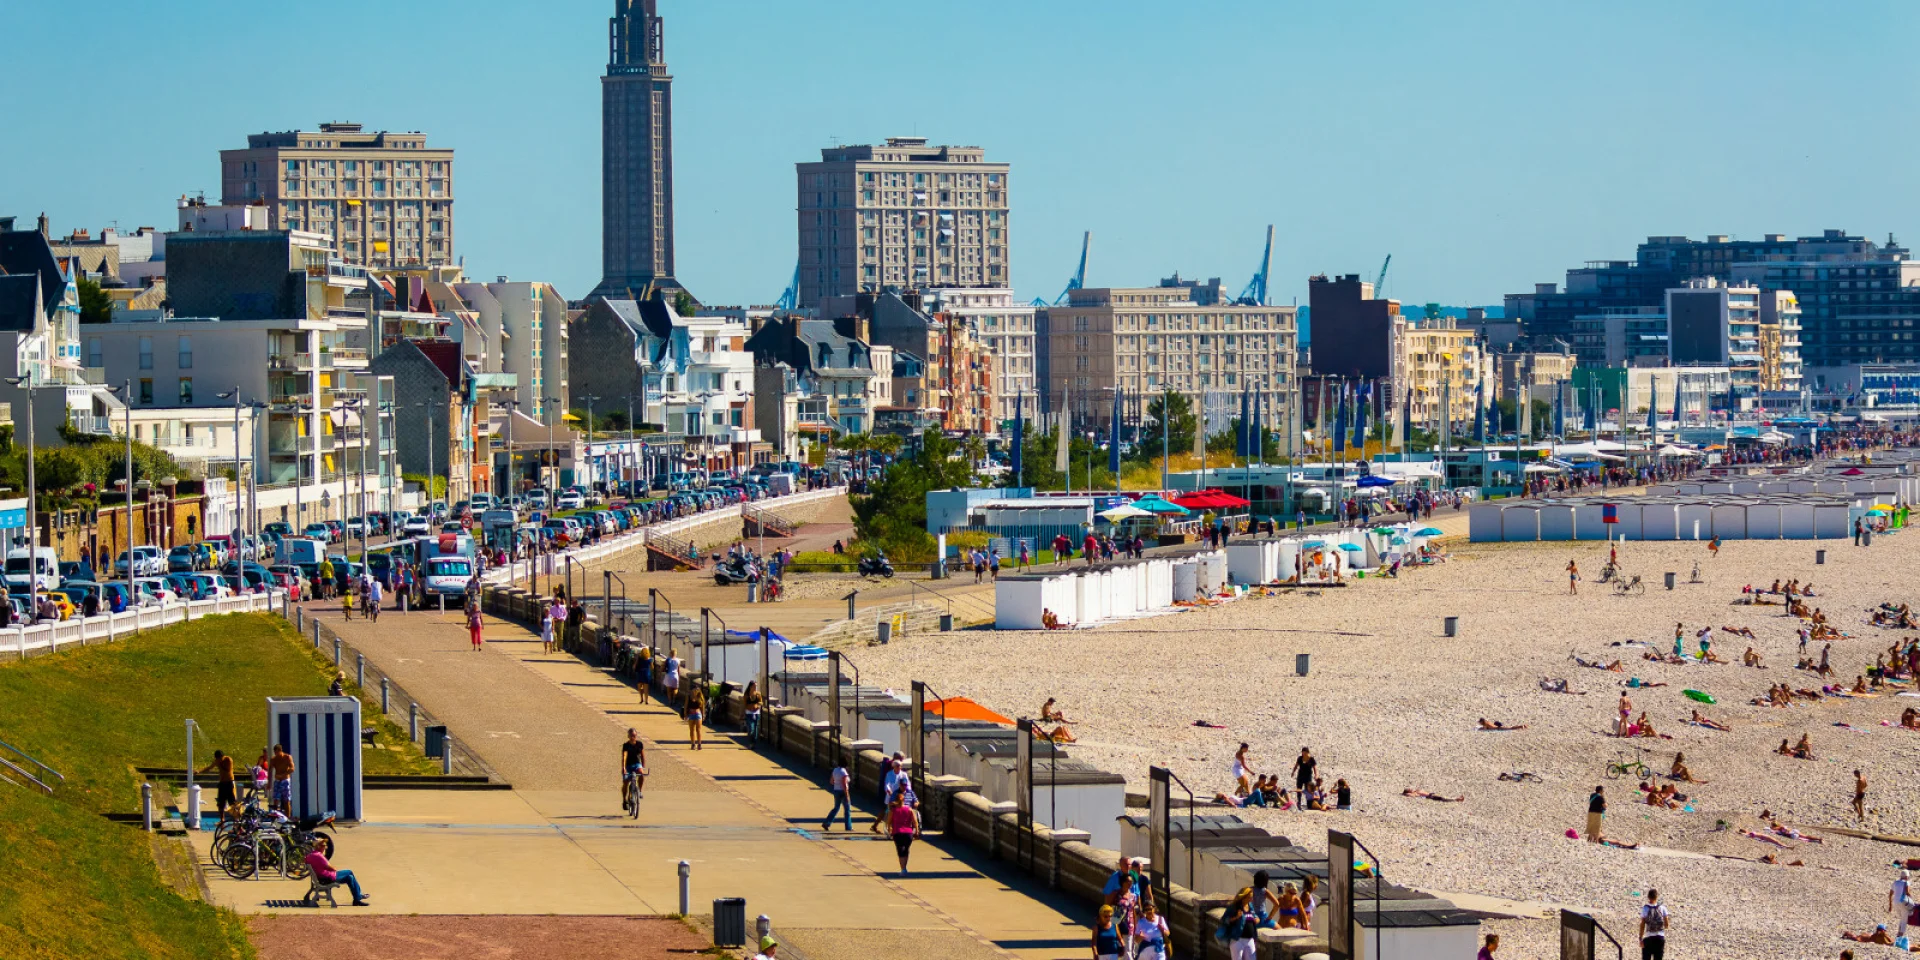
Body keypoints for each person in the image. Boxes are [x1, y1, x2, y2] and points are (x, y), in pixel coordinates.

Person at [303, 845, 370, 906]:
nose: (325, 848)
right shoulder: (319, 856)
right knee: (349, 871)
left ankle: (357, 899)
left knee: (350, 877)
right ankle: (358, 897)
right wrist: (333, 869)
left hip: (321, 878)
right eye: (324, 847)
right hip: (327, 878)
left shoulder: (310, 855)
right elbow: (331, 868)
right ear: (320, 847)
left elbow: (306, 861)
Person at [199, 749, 237, 822]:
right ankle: (222, 820)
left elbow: (227, 769)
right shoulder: (217, 761)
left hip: (230, 783)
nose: (218, 760)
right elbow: (209, 768)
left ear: (223, 756)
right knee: (220, 803)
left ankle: (236, 822)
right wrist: (199, 771)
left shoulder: (228, 760)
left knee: (232, 803)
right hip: (222, 783)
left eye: (220, 758)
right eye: (217, 759)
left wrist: (220, 763)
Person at [887, 792, 920, 874]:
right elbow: (915, 821)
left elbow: (888, 822)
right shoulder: (909, 810)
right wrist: (917, 830)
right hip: (908, 833)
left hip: (897, 832)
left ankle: (903, 869)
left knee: (900, 850)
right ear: (904, 800)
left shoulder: (893, 810)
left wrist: (889, 829)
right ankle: (905, 868)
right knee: (906, 850)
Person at [1222, 887, 1259, 960]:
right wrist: (1236, 917)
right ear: (1243, 897)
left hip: (1250, 939)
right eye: (1249, 897)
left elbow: (1255, 916)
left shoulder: (1250, 906)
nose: (1251, 899)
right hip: (1237, 940)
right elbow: (1224, 920)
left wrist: (1257, 919)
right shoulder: (1234, 907)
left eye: (1252, 897)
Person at [1638, 889, 1669, 960]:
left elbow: (1642, 925)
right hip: (1660, 938)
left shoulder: (1645, 908)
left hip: (1649, 938)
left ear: (1648, 897)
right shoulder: (1662, 908)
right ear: (1656, 897)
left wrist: (1640, 938)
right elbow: (1667, 925)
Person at [620, 729, 647, 809]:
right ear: (628, 736)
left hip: (636, 764)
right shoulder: (626, 745)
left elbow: (642, 756)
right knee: (625, 782)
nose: (633, 737)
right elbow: (624, 757)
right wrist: (624, 768)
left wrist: (643, 766)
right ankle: (624, 800)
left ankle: (640, 791)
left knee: (641, 774)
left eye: (634, 736)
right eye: (631, 736)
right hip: (628, 765)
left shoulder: (639, 744)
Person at [824, 760, 853, 832]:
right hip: (843, 792)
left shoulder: (835, 770)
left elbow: (831, 781)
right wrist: (847, 795)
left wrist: (837, 783)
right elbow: (844, 784)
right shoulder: (844, 772)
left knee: (836, 808)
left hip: (836, 790)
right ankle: (848, 827)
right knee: (847, 810)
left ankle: (827, 823)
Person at [268, 743, 295, 815]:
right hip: (277, 781)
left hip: (285, 780)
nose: (276, 754)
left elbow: (292, 768)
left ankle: (288, 817)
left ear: (280, 750)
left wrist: (283, 775)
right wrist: (269, 783)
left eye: (277, 752)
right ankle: (275, 816)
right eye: (275, 752)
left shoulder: (287, 757)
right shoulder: (274, 759)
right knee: (276, 799)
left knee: (286, 800)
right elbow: (270, 771)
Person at [686, 684, 706, 751]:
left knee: (698, 730)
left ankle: (699, 744)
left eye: (696, 690)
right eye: (694, 690)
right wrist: (685, 714)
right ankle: (693, 744)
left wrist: (703, 715)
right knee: (692, 730)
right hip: (691, 714)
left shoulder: (700, 696)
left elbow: (702, 707)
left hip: (698, 713)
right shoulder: (689, 697)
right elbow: (686, 706)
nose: (695, 691)